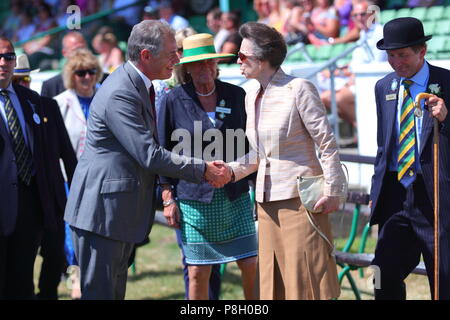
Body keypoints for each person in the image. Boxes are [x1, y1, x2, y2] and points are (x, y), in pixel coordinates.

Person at [64, 20, 229, 300]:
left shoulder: (137, 85)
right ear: (145, 56)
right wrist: (202, 169)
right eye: (170, 54)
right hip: (102, 214)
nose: (177, 59)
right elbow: (149, 154)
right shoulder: (121, 92)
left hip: (117, 213)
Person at [225, 22, 346, 300]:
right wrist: (228, 172)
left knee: (306, 283)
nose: (238, 60)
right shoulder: (250, 96)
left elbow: (326, 143)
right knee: (272, 286)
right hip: (266, 205)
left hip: (302, 202)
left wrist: (333, 191)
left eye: (243, 56)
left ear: (262, 59)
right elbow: (258, 154)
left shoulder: (298, 88)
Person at [157, 33, 258, 300]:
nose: (204, 69)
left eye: (208, 62)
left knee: (251, 264)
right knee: (197, 272)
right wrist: (167, 196)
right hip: (194, 201)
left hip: (236, 196)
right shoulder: (172, 100)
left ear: (216, 64)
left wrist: (257, 191)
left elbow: (251, 147)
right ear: (187, 67)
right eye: (197, 64)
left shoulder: (236, 95)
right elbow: (161, 152)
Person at [369, 17, 450, 300]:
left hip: (436, 195)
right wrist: (376, 190)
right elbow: (384, 145)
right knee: (382, 272)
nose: (396, 63)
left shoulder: (447, 82)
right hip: (395, 193)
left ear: (422, 51)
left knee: (443, 276)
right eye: (391, 55)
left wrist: (447, 118)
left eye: (402, 55)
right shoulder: (384, 87)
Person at [12, 53, 78, 300]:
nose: (22, 85)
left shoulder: (46, 106)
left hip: (51, 196)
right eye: (17, 81)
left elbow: (68, 156)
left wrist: (76, 194)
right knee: (22, 259)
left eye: (26, 79)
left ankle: (47, 294)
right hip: (19, 201)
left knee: (54, 252)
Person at [0, 36, 56, 299]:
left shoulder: (31, 100)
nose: (3, 62)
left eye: (8, 57)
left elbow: (46, 156)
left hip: (28, 210)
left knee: (23, 286)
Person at [319, 0, 387, 129]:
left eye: (362, 14)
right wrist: (340, 70)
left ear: (372, 14)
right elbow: (357, 62)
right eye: (355, 15)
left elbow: (374, 65)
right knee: (325, 97)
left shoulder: (379, 32)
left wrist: (341, 73)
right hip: (357, 78)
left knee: (340, 98)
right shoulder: (363, 33)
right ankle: (361, 128)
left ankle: (368, 129)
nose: (359, 18)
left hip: (370, 80)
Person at [40, 31, 87, 98]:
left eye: (83, 49)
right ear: (64, 53)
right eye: (76, 50)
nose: (81, 53)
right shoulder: (51, 87)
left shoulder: (101, 79)